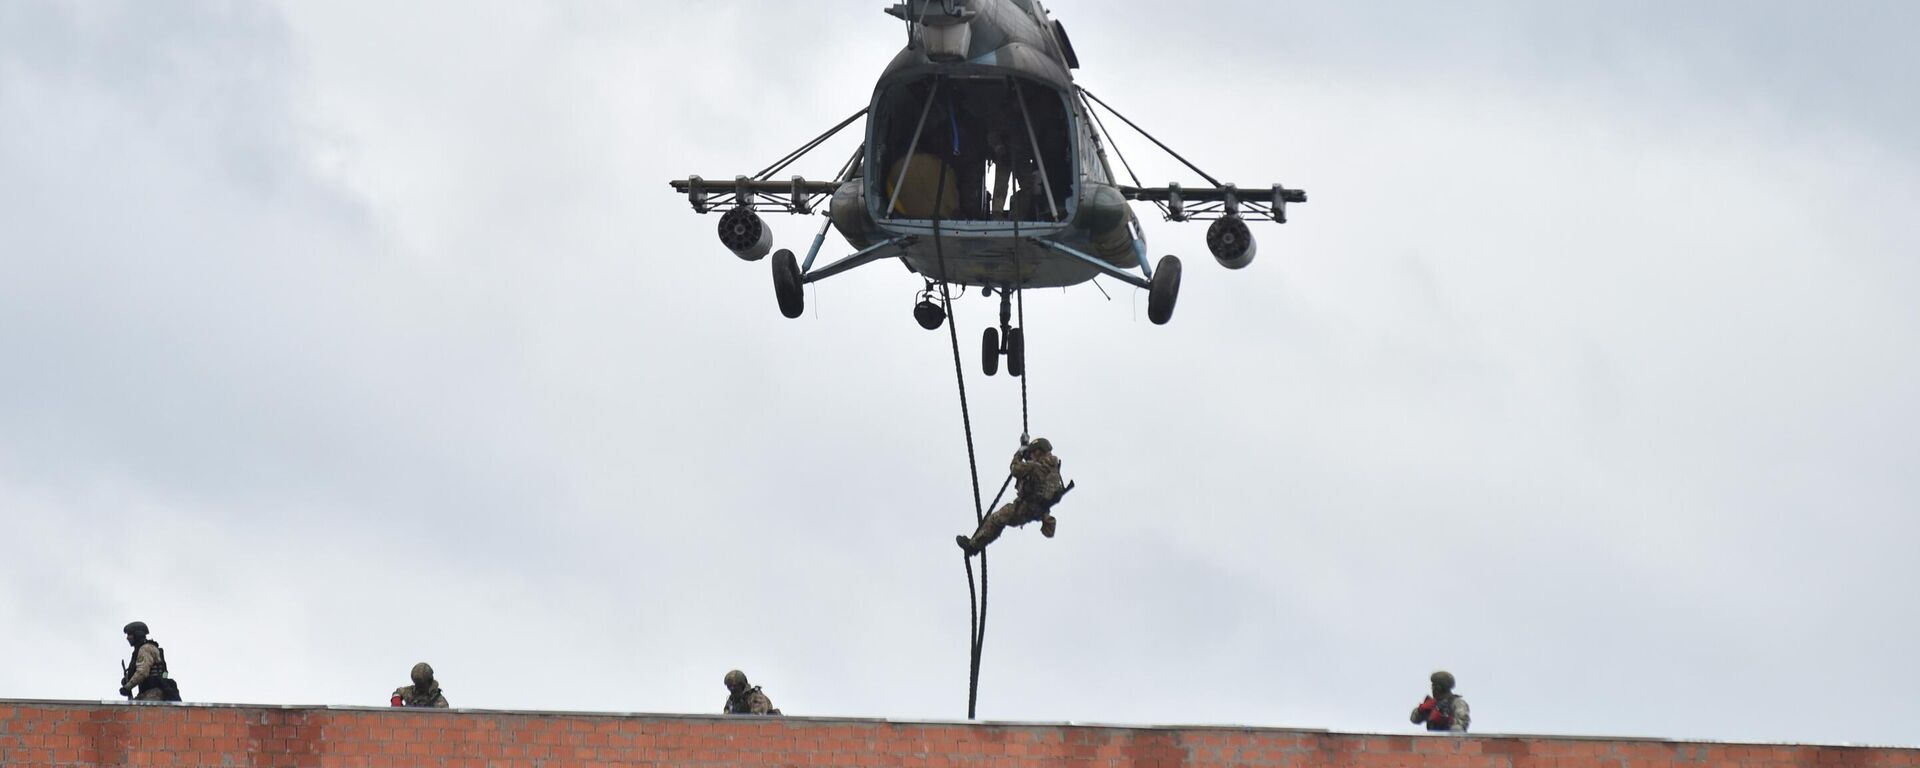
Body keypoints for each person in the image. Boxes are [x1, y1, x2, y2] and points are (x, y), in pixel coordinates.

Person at [956, 438, 1069, 555]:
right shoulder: (1052, 467)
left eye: (1032, 453)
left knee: (996, 519)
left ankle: (973, 547)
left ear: (1038, 452)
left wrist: (1019, 453)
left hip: (1026, 508)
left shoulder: (1035, 466)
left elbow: (1015, 469)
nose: (1031, 456)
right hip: (1039, 510)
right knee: (1000, 519)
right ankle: (974, 545)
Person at [118, 621, 180, 702]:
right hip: (150, 693)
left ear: (137, 634)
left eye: (130, 634)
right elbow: (165, 673)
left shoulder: (145, 649)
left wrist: (127, 687)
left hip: (152, 694)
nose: (128, 638)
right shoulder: (146, 648)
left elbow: (142, 672)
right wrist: (128, 680)